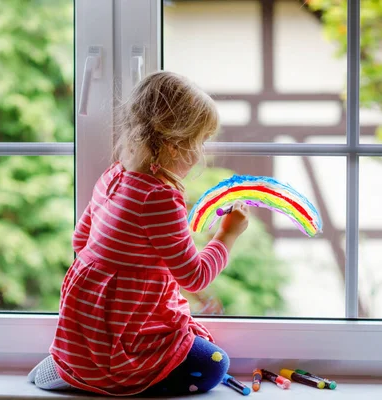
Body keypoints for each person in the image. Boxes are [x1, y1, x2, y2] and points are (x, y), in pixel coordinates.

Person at [27, 71, 250, 396]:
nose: (201, 153)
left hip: (87, 331)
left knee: (189, 337)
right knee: (215, 364)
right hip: (120, 342)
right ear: (174, 147)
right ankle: (104, 378)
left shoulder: (114, 175)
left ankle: (74, 366)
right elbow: (195, 277)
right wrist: (228, 235)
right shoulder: (159, 197)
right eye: (199, 143)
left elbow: (80, 241)